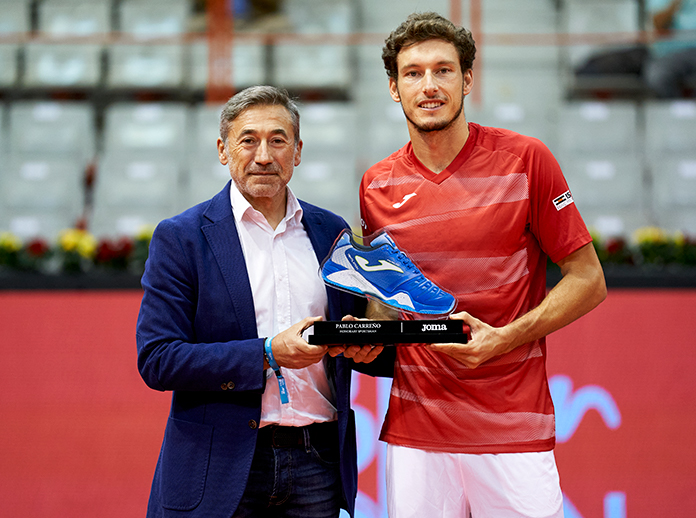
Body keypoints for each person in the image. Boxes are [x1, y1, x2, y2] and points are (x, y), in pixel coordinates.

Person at [357, 12, 607, 518]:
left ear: (467, 79)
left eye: (443, 70)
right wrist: (363, 337)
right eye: (413, 73)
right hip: (416, 434)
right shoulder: (375, 185)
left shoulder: (527, 159)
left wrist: (504, 337)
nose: (429, 85)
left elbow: (589, 280)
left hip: (512, 428)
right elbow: (386, 309)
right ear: (393, 87)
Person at [136, 85, 387, 518]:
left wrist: (364, 345)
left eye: (278, 139)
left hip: (318, 463)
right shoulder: (181, 237)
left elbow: (351, 339)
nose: (264, 155)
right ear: (222, 149)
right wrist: (268, 353)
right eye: (248, 139)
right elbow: (158, 359)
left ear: (298, 150)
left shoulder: (332, 231)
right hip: (220, 466)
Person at [645, 0, 696, 98]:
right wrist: (675, 5)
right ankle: (677, 110)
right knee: (657, 76)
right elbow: (658, 24)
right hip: (669, 54)